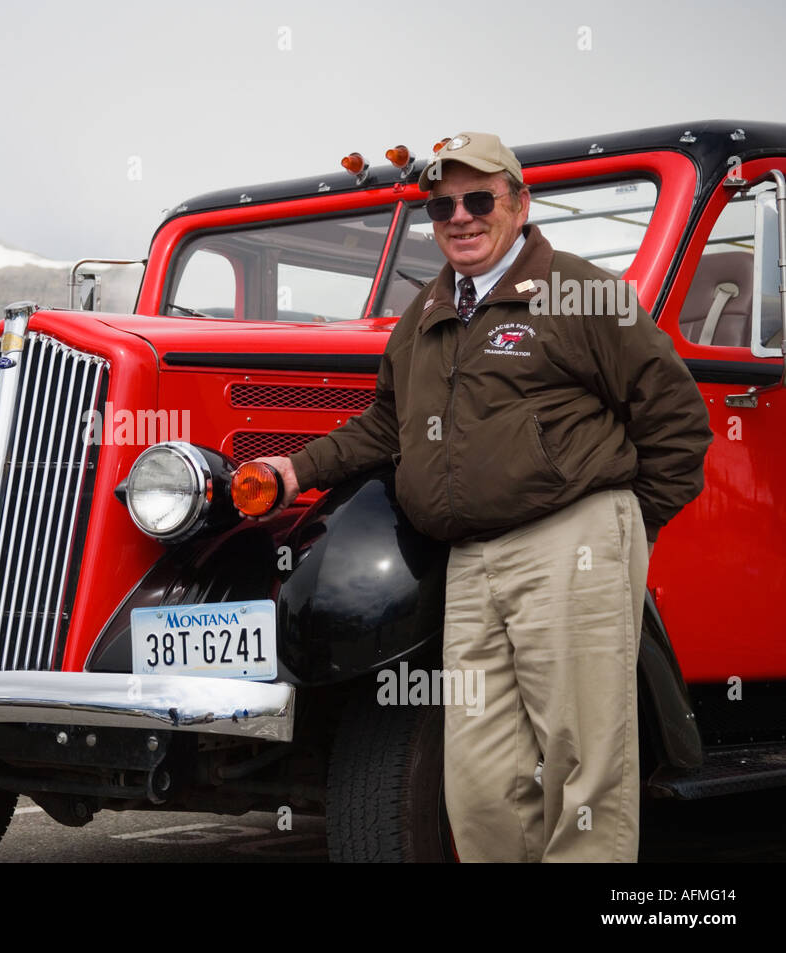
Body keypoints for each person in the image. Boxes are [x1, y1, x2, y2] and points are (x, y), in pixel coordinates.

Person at [252, 131, 712, 862]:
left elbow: (678, 420)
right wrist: (292, 471)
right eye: (441, 206)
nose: (459, 217)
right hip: (466, 560)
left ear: (520, 202)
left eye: (477, 199)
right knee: (478, 777)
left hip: (570, 542)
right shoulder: (427, 312)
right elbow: (383, 424)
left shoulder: (581, 291)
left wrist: (620, 523)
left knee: (583, 762)